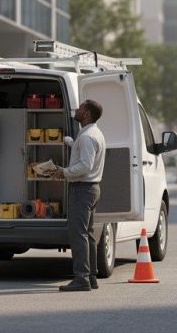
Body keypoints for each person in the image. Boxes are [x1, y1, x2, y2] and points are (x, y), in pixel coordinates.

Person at [52, 98, 106, 292]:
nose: (77, 109)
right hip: (91, 188)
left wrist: (63, 172)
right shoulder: (91, 134)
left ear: (87, 114)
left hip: (82, 189)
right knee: (88, 233)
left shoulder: (87, 137)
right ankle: (91, 276)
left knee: (78, 234)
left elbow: (85, 166)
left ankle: (81, 278)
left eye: (81, 107)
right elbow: (85, 156)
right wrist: (71, 143)